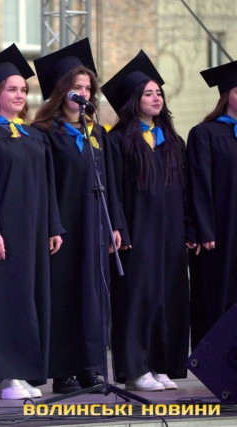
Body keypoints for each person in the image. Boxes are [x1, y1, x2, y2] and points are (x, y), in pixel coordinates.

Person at [0, 44, 64, 400]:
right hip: (3, 233)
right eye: (12, 89)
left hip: (34, 232)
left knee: (31, 300)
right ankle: (5, 377)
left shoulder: (36, 136)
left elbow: (48, 185)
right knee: (5, 301)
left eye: (23, 89)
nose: (20, 95)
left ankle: (24, 372)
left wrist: (53, 226)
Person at [32, 38, 121, 394]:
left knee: (93, 296)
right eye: (76, 88)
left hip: (94, 225)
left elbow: (109, 182)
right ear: (61, 91)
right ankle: (63, 371)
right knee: (65, 296)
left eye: (87, 88)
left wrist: (115, 224)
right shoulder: (45, 134)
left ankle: (90, 367)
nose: (83, 93)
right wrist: (52, 225)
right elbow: (45, 185)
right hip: (65, 226)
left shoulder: (96, 133)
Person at [101, 50, 189, 392]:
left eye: (158, 93)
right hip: (137, 231)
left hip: (170, 232)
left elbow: (185, 190)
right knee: (138, 298)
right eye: (148, 93)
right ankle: (135, 369)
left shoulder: (173, 142)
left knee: (168, 296)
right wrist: (120, 227)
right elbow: (114, 190)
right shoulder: (118, 141)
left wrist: (188, 229)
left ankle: (161, 364)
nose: (156, 98)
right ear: (133, 100)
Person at [187, 60, 237, 350]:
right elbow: (199, 183)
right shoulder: (205, 133)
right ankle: (217, 361)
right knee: (219, 296)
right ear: (226, 95)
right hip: (220, 233)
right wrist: (204, 229)